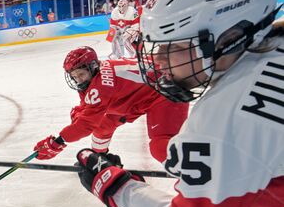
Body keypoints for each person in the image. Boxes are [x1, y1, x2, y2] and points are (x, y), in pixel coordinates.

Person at [75, 0, 284, 207]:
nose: (158, 63)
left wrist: (117, 187)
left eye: (172, 48)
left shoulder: (225, 120)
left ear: (228, 36)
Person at [34, 46, 189, 163]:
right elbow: (87, 113)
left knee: (160, 147)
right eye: (74, 77)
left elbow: (86, 124)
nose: (78, 80)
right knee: (103, 123)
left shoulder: (101, 85)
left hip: (165, 92)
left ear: (93, 67)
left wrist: (57, 142)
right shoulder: (96, 74)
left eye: (81, 74)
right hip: (142, 96)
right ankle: (100, 158)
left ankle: (195, 172)